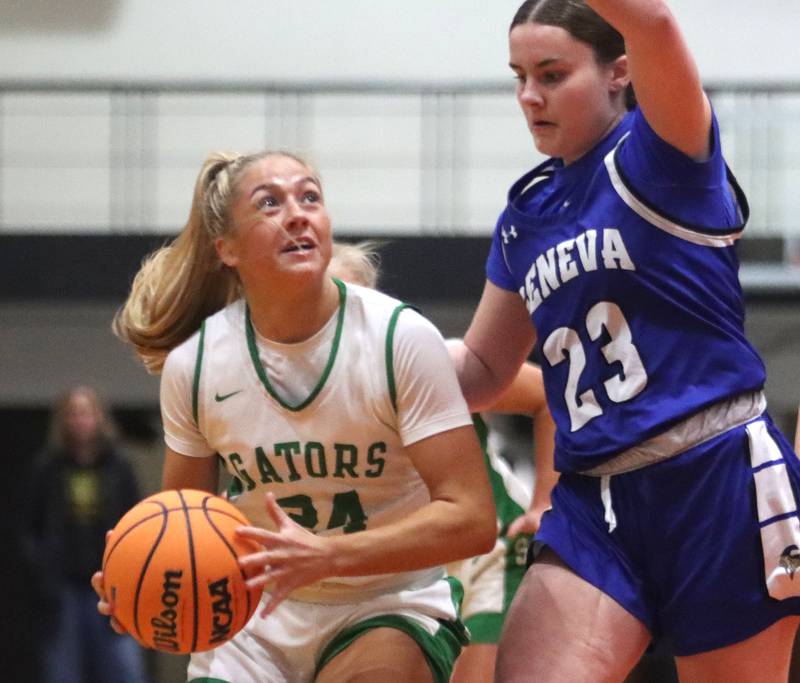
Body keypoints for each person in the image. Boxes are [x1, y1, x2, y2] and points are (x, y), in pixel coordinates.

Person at [448, 1, 800, 681]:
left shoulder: (663, 152)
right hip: (595, 498)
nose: (529, 95)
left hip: (714, 475)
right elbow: (485, 367)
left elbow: (657, 23)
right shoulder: (525, 216)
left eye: (551, 73)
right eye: (518, 75)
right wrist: (372, 350)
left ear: (619, 72)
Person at [94, 150, 496, 683]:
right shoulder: (196, 366)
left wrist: (329, 555)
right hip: (254, 616)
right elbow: (187, 518)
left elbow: (472, 519)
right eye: (270, 204)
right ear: (226, 248)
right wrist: (144, 577)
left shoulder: (398, 338)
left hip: (387, 601)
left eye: (310, 197)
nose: (298, 213)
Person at [328, 240, 559, 683]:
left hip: (487, 549)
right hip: (404, 562)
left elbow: (547, 399)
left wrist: (545, 503)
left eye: (352, 305)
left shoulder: (430, 362)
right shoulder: (306, 394)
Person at [27, 385, 150, 683]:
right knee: (61, 672)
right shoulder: (48, 467)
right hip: (63, 587)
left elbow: (138, 522)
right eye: (73, 413)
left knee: (125, 671)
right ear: (63, 420)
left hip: (112, 585)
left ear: (98, 417)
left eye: (85, 412)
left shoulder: (119, 466)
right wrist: (45, 568)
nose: (80, 420)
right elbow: (30, 527)